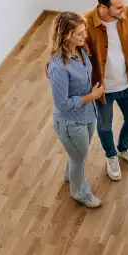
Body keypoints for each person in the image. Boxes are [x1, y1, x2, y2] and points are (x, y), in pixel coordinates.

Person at [84, 0, 128, 181]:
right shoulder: (85, 23)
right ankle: (111, 156)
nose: (123, 10)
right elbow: (74, 51)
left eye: (124, 4)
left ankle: (123, 149)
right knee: (104, 127)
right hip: (103, 89)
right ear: (103, 7)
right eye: (118, 7)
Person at [47, 11, 105, 208]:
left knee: (78, 154)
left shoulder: (80, 51)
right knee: (80, 157)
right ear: (66, 36)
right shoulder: (59, 66)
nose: (84, 36)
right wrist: (92, 96)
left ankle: (70, 175)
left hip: (87, 114)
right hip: (71, 122)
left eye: (83, 32)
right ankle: (80, 193)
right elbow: (62, 104)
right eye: (79, 34)